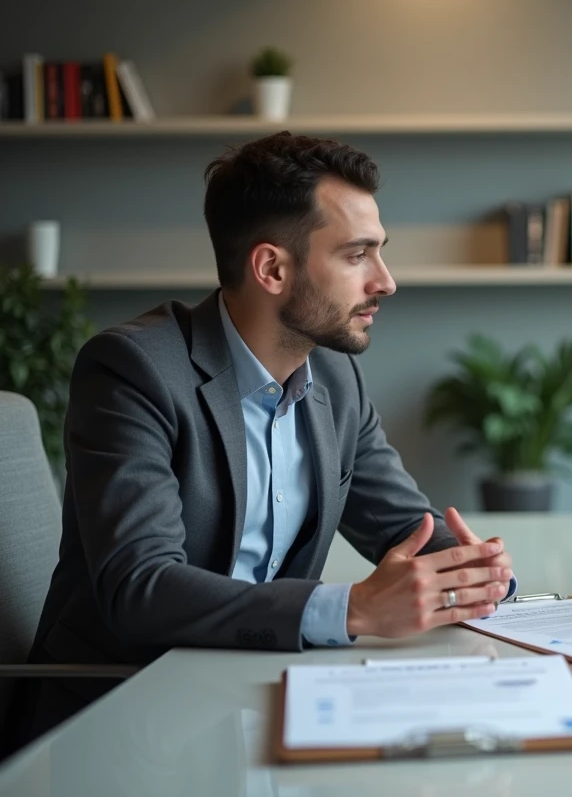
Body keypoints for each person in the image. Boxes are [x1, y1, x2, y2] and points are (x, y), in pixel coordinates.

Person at [18, 132, 516, 742]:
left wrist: (474, 573)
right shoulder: (132, 370)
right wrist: (353, 608)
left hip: (257, 697)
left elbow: (404, 529)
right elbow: (139, 587)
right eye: (358, 256)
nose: (385, 281)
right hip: (121, 715)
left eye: (380, 253)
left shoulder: (336, 377)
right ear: (272, 267)